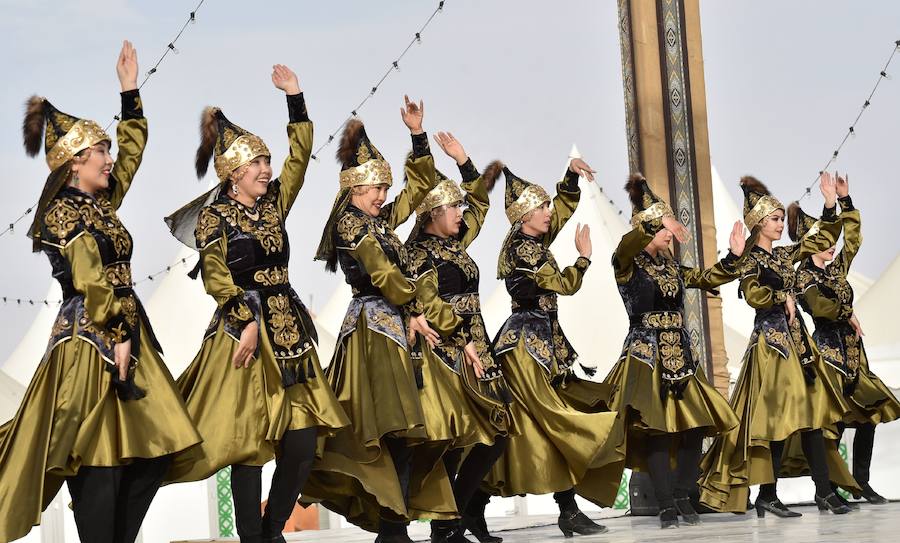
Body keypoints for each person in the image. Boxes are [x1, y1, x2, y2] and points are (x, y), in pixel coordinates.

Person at [0, 41, 201, 543]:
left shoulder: (102, 203)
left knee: (154, 452)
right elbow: (89, 278)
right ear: (74, 164)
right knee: (99, 461)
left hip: (129, 331)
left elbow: (133, 149)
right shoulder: (61, 214)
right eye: (99, 152)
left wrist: (130, 91)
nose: (109, 159)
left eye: (107, 150)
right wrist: (118, 333)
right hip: (91, 340)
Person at [163, 65, 349, 543]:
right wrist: (245, 321)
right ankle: (253, 537)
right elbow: (216, 276)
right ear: (234, 172)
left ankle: (270, 529)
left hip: (289, 332)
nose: (268, 170)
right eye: (258, 164)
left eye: (268, 161)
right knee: (246, 443)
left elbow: (301, 157)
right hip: (241, 333)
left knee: (302, 442)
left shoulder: (273, 203)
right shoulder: (214, 219)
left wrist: (296, 98)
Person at [303, 98, 455, 543]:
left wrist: (417, 136)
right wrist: (413, 308)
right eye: (377, 190)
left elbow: (419, 188)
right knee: (389, 429)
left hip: (396, 328)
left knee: (405, 432)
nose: (384, 197)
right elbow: (383, 272)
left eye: (385, 190)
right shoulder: (352, 225)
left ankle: (395, 525)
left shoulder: (380, 221)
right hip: (374, 329)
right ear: (354, 189)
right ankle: (391, 527)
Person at [476, 160, 625, 539]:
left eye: (545, 207)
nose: (548, 214)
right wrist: (584, 258)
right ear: (525, 215)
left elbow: (561, 209)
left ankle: (562, 509)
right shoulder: (525, 251)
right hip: (525, 349)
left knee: (535, 430)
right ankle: (473, 506)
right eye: (541, 209)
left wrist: (571, 174)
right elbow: (563, 284)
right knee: (547, 424)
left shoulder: (531, 238)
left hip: (542, 344)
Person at [699, 173, 853, 517]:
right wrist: (782, 294)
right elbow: (754, 295)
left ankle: (824, 492)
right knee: (778, 423)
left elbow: (822, 238)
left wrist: (831, 205)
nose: (781, 223)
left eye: (782, 218)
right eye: (775, 219)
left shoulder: (785, 256)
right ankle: (768, 495)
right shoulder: (750, 259)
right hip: (771, 347)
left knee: (812, 417)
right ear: (758, 223)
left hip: (798, 347)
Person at [603, 174, 743, 528]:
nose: (670, 233)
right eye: (664, 228)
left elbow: (706, 278)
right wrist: (655, 219)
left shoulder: (671, 267)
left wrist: (734, 258)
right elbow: (624, 247)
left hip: (679, 353)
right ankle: (665, 503)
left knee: (695, 424)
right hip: (646, 354)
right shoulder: (627, 265)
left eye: (668, 226)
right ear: (648, 228)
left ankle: (683, 494)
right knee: (656, 428)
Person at [404, 132, 510, 543]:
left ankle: (458, 516)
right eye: (454, 207)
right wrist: (462, 336)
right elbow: (428, 302)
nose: (462, 214)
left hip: (476, 345)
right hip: (447, 350)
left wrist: (464, 160)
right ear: (433, 212)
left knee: (496, 433)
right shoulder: (419, 254)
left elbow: (481, 204)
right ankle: (445, 526)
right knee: (453, 440)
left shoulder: (456, 242)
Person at [788, 173, 900, 506]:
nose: (832, 245)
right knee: (831, 424)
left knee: (870, 413)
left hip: (854, 354)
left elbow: (852, 237)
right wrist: (846, 312)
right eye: (824, 241)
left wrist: (844, 201)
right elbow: (820, 309)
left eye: (830, 240)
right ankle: (828, 487)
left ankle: (862, 481)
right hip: (828, 355)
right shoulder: (802, 276)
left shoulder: (837, 269)